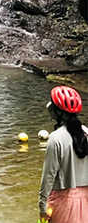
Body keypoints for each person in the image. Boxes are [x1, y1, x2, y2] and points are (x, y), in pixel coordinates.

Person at [39, 85, 88, 222]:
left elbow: (48, 177)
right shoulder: (86, 133)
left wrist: (42, 207)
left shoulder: (55, 139)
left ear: (57, 112)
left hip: (63, 202)